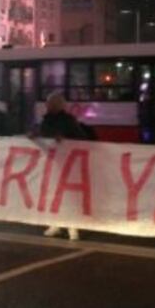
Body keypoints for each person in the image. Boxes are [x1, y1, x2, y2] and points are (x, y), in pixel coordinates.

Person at [39, 92, 87, 241]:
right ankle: (56, 224)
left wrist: (65, 139)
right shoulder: (46, 120)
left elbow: (81, 139)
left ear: (56, 105)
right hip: (52, 162)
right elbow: (43, 136)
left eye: (49, 103)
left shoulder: (68, 121)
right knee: (53, 194)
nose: (46, 106)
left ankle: (72, 226)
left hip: (67, 163)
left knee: (68, 196)